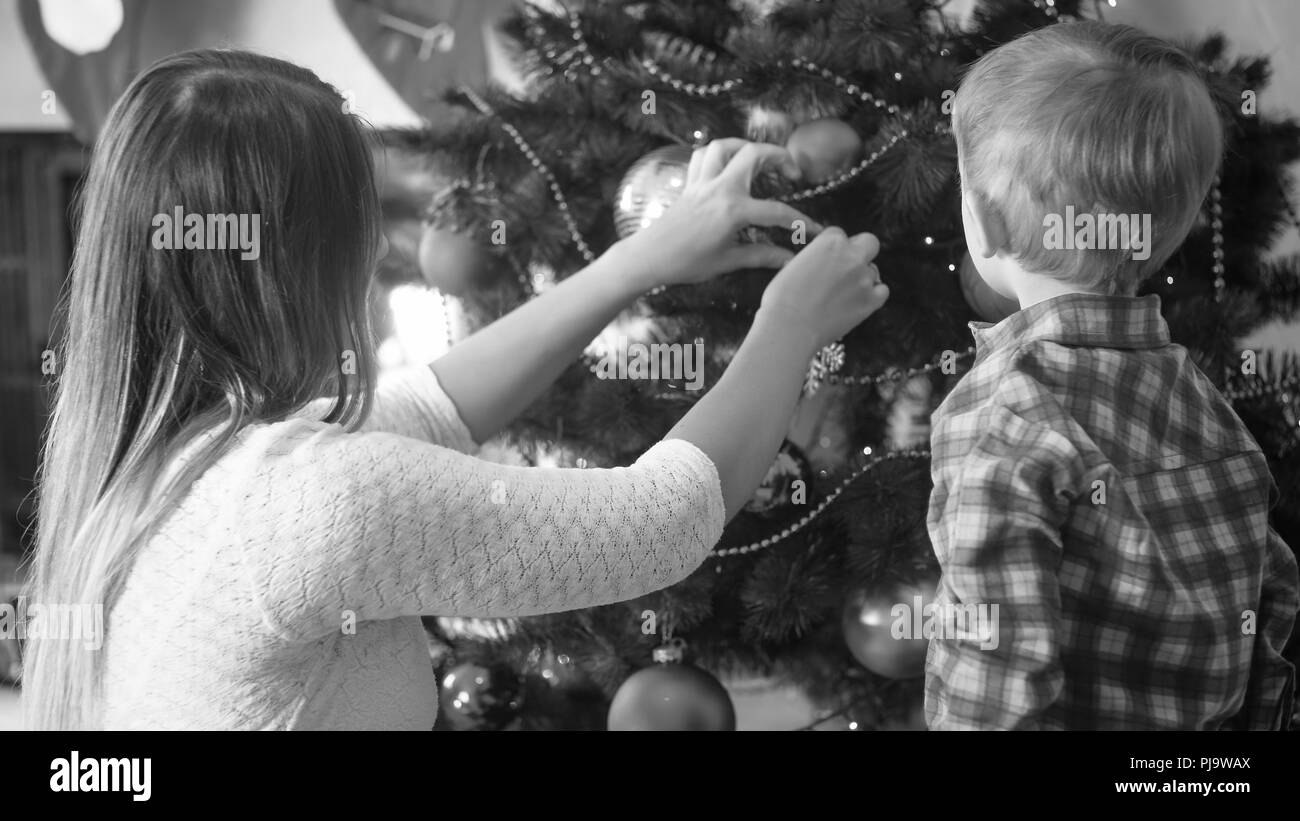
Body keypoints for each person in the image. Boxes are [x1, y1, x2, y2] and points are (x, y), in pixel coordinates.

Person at [21, 49, 889, 729]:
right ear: (306, 257)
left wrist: (643, 260)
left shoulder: (176, 454)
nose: (375, 257)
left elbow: (435, 403)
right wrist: (792, 324)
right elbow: (661, 521)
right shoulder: (305, 499)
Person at [927, 20, 1299, 729]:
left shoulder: (1001, 411)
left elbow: (995, 657)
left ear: (984, 223)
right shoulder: (1196, 395)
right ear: (1171, 229)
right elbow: (1270, 591)